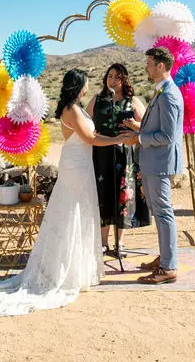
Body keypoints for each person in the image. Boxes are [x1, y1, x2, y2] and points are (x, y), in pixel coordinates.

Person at [0, 69, 126, 317]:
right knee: (71, 212)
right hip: (76, 164)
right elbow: (90, 138)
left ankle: (75, 268)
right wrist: (118, 140)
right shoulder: (72, 110)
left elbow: (92, 135)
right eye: (85, 82)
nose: (88, 85)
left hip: (81, 163)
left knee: (78, 212)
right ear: (78, 86)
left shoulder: (76, 107)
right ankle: (64, 271)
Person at [117, 46, 185, 284]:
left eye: (149, 63)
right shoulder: (162, 91)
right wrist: (138, 127)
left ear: (160, 65)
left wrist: (139, 138)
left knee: (164, 213)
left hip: (159, 162)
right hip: (154, 161)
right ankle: (166, 258)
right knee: (160, 211)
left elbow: (167, 136)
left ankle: (168, 267)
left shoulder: (168, 95)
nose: (146, 67)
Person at [86, 63, 149, 256]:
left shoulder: (133, 101)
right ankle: (103, 242)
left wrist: (133, 124)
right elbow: (86, 123)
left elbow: (147, 126)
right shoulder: (97, 99)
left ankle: (120, 242)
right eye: (110, 76)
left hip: (125, 154)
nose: (112, 81)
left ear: (124, 80)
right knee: (103, 195)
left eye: (117, 77)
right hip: (101, 154)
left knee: (124, 197)